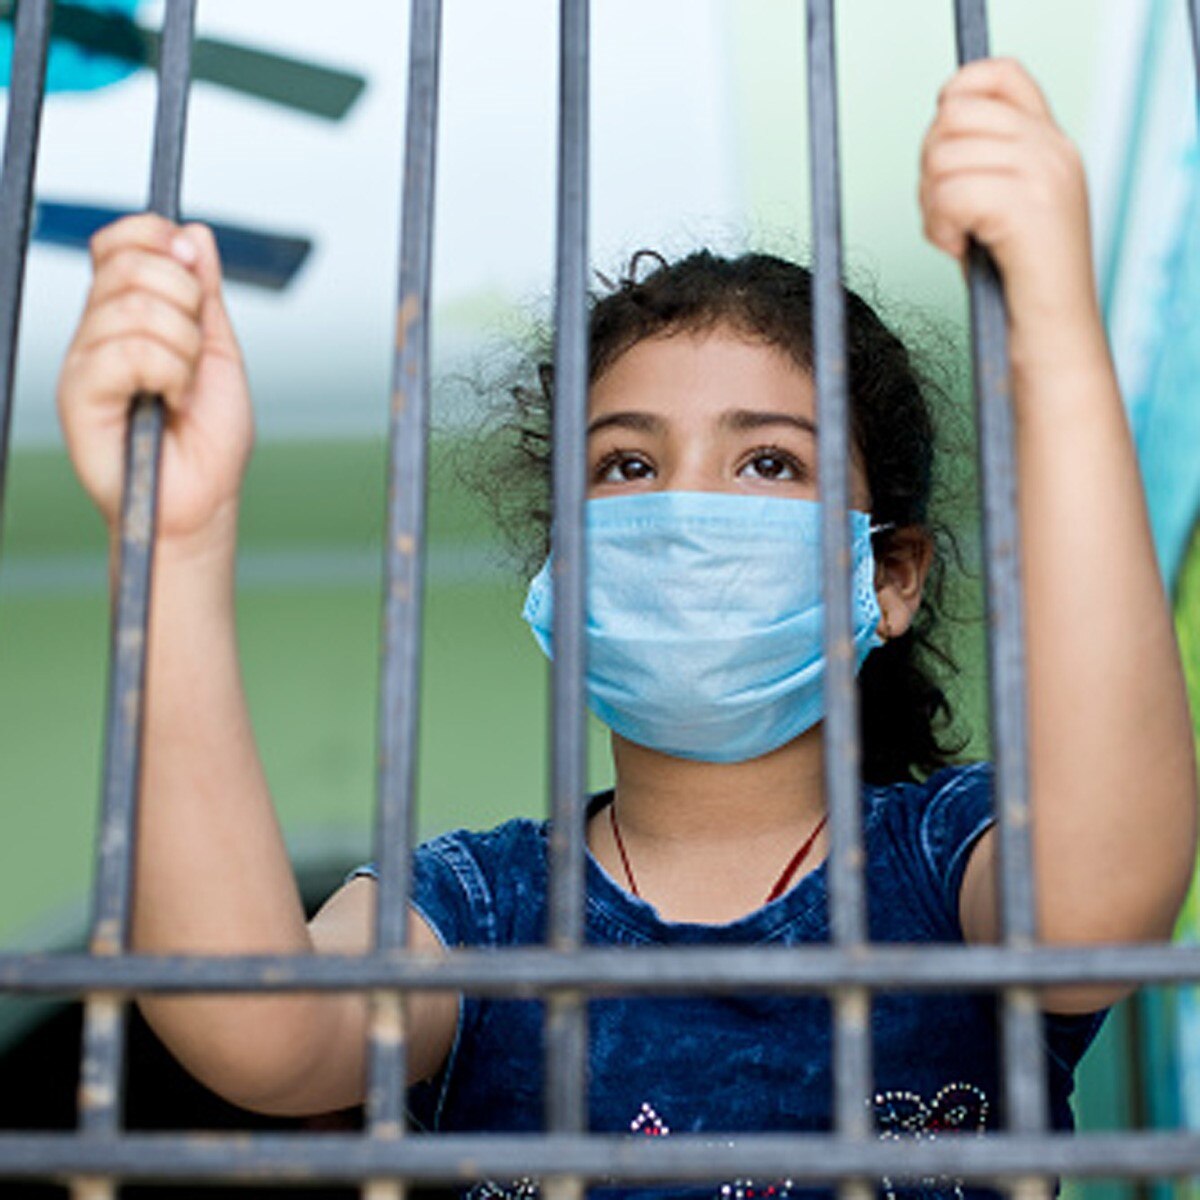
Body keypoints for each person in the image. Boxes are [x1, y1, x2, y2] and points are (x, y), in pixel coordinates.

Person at [55, 57, 1197, 1197]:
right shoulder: (484, 911)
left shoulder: (948, 863)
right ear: (567, 567)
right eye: (627, 464)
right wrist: (178, 545)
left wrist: (1053, 325)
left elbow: (1105, 901)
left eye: (769, 462)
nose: (685, 512)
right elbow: (257, 1032)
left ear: (890, 576)